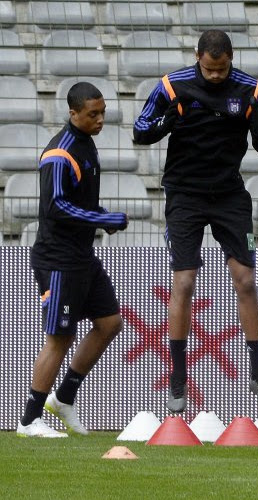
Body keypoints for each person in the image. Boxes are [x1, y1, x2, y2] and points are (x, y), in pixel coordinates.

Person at [132, 29, 258, 413]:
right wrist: (171, 118)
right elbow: (141, 131)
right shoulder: (171, 86)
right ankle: (178, 377)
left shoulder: (252, 91)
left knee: (245, 279)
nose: (215, 76)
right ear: (198, 57)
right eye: (210, 69)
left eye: (222, 69)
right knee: (184, 281)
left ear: (231, 60)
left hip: (230, 195)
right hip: (185, 195)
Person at [17, 82, 129, 438]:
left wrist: (100, 216)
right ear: (73, 113)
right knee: (59, 338)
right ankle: (30, 420)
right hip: (58, 258)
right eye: (92, 114)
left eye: (102, 113)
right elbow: (56, 206)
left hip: (82, 256)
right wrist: (103, 219)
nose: (99, 120)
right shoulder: (59, 153)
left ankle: (64, 398)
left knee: (110, 323)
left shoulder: (86, 145)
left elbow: (78, 201)